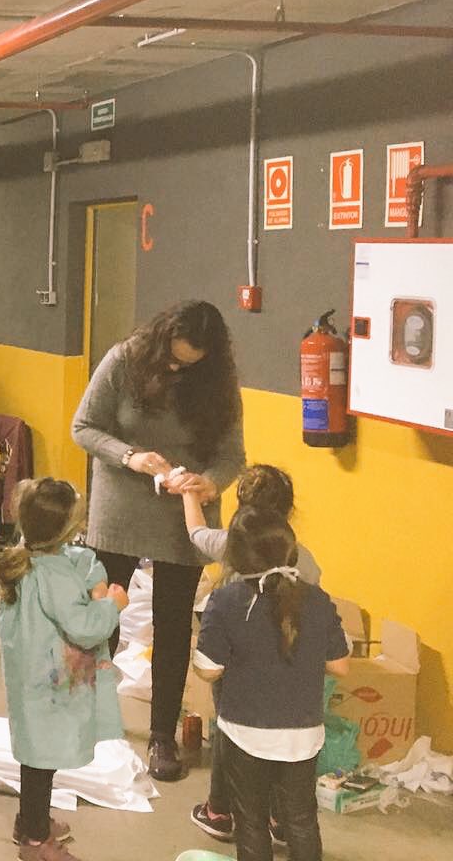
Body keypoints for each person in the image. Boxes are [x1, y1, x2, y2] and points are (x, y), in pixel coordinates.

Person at [71, 299, 246, 782]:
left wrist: (210, 482)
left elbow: (232, 455)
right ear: (161, 338)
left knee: (172, 627)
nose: (176, 368)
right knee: (101, 618)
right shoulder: (124, 360)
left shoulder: (220, 384)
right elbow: (83, 427)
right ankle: (88, 719)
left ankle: (162, 736)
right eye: (172, 358)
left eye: (189, 364)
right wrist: (130, 456)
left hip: (184, 513)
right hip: (121, 505)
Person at [193, 508, 348, 861]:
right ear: (292, 551)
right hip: (303, 735)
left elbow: (208, 670)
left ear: (234, 557)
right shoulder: (317, 599)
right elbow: (340, 665)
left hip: (244, 732)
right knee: (302, 820)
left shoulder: (226, 600)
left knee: (251, 821)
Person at [181, 466, 321, 844]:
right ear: (289, 511)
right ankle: (281, 819)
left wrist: (189, 494)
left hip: (237, 667)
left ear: (241, 508)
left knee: (232, 736)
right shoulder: (304, 559)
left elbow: (196, 532)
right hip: (288, 667)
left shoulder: (232, 545)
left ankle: (220, 811)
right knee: (283, 741)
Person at [0, 478, 128, 861]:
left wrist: (95, 579)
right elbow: (85, 628)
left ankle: (29, 821)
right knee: (42, 761)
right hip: (49, 687)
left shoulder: (29, 557)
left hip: (31, 680)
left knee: (36, 754)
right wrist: (112, 604)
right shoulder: (54, 576)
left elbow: (81, 560)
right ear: (65, 530)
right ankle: (35, 842)